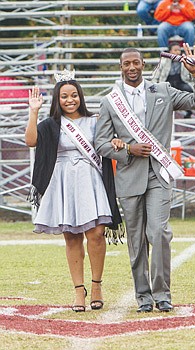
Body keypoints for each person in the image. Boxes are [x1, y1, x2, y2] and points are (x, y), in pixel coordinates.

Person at [95, 44, 195, 313]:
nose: (132, 67)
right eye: (126, 64)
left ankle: (162, 294)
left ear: (144, 64)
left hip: (159, 174)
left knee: (159, 233)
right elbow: (101, 143)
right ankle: (143, 296)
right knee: (136, 242)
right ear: (121, 67)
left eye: (136, 62)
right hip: (129, 175)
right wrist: (128, 149)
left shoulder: (163, 91)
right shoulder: (110, 102)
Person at [25, 72, 122, 313]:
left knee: (97, 233)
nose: (70, 100)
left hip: (90, 179)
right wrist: (34, 111)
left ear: (81, 96)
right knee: (71, 235)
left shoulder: (94, 121)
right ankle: (79, 290)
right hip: (63, 180)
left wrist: (117, 143)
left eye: (74, 95)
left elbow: (108, 143)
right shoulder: (50, 124)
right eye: (64, 96)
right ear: (57, 99)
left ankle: (96, 285)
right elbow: (30, 141)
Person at [151, 41, 194, 117]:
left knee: (188, 90)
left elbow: (191, 75)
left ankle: (188, 111)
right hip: (167, 82)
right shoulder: (163, 60)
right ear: (170, 51)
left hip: (180, 81)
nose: (178, 52)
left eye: (179, 50)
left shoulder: (185, 60)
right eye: (175, 50)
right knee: (164, 93)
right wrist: (153, 85)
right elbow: (156, 74)